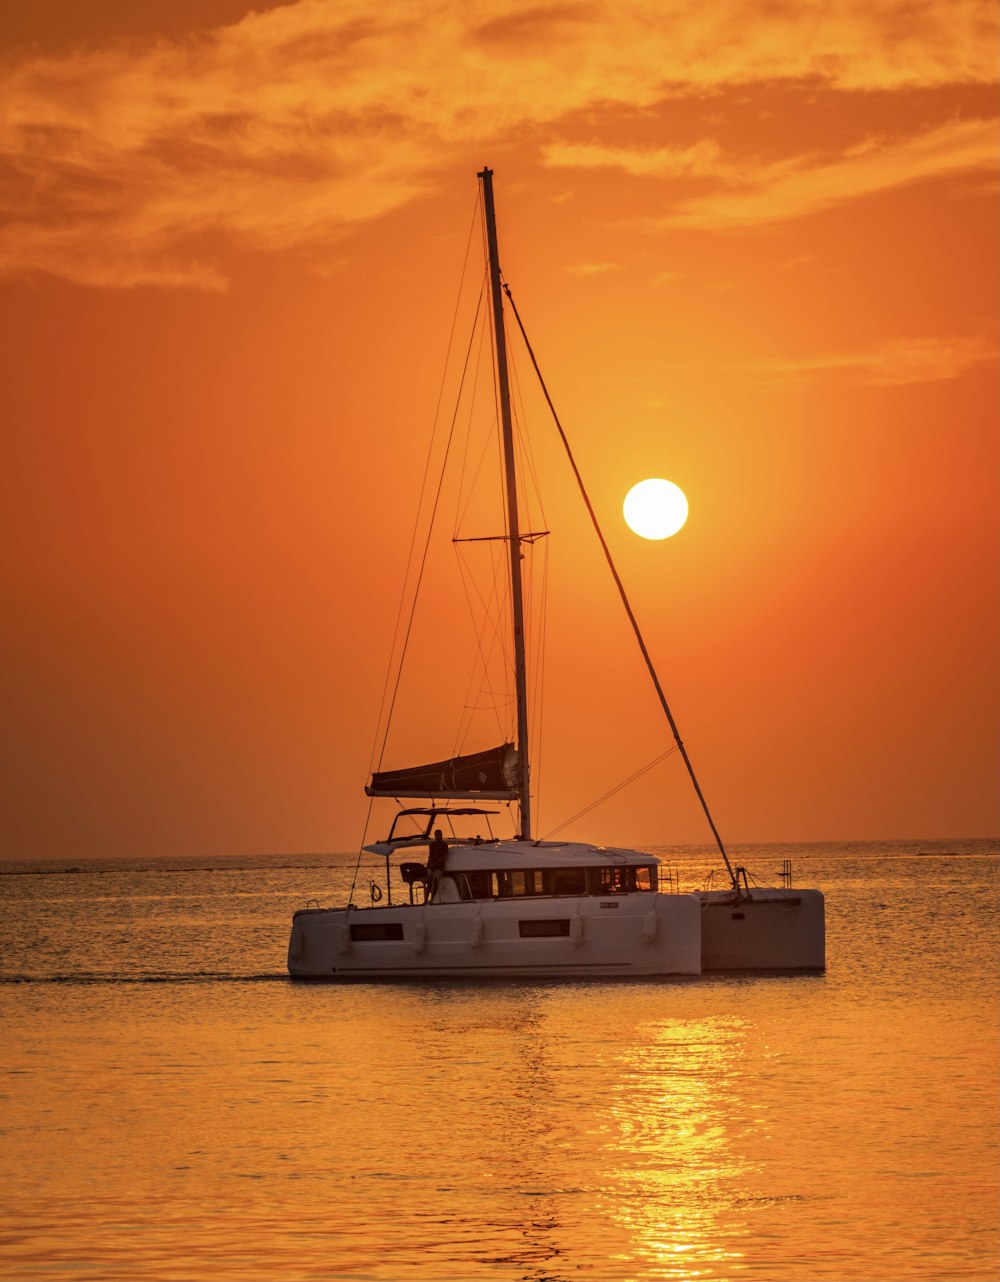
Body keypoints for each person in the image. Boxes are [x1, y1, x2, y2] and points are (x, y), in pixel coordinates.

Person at [426, 828, 448, 900]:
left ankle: (432, 899)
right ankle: (426, 899)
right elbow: (430, 855)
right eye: (436, 835)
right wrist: (431, 865)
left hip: (439, 867)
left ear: (441, 835)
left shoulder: (444, 845)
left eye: (438, 835)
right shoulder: (432, 844)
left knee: (435, 883)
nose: (437, 837)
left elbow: (444, 856)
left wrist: (436, 864)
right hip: (431, 866)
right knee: (429, 882)